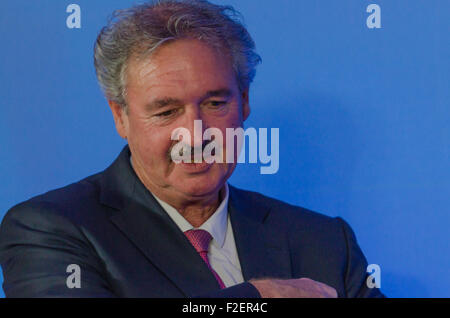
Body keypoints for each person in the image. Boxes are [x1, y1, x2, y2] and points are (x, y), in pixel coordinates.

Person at [0, 0, 384, 298]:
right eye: (166, 111)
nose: (195, 134)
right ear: (121, 116)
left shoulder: (324, 241)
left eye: (216, 104)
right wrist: (255, 297)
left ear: (244, 102)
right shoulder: (50, 228)